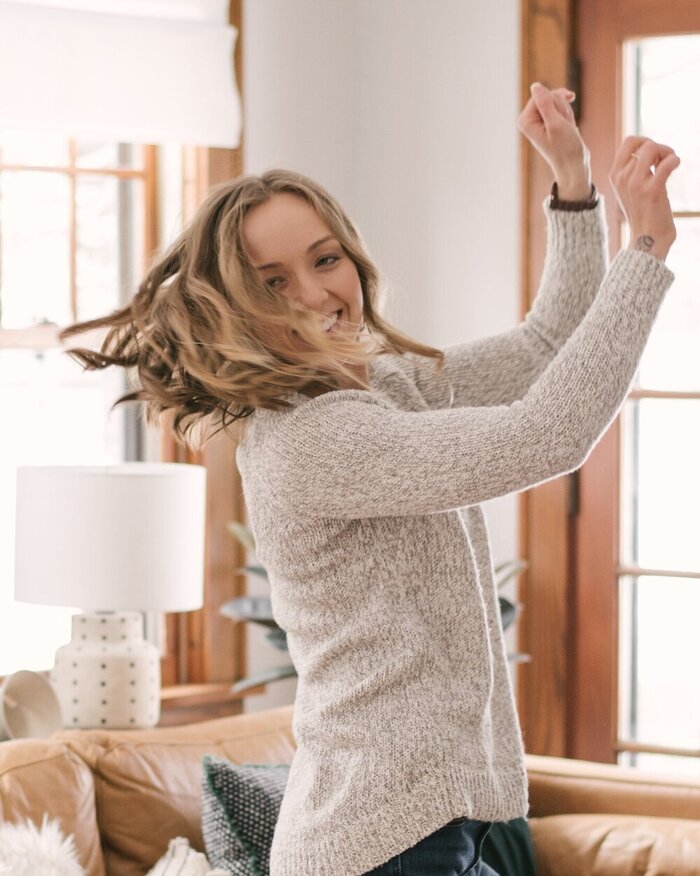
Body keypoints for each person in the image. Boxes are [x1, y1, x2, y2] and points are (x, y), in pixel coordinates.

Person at [59, 82, 680, 876]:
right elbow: (544, 435)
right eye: (272, 282)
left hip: (426, 828)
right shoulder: (312, 439)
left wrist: (571, 183)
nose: (317, 294)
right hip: (382, 844)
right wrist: (647, 251)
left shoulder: (379, 384)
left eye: (325, 260)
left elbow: (545, 348)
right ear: (236, 307)